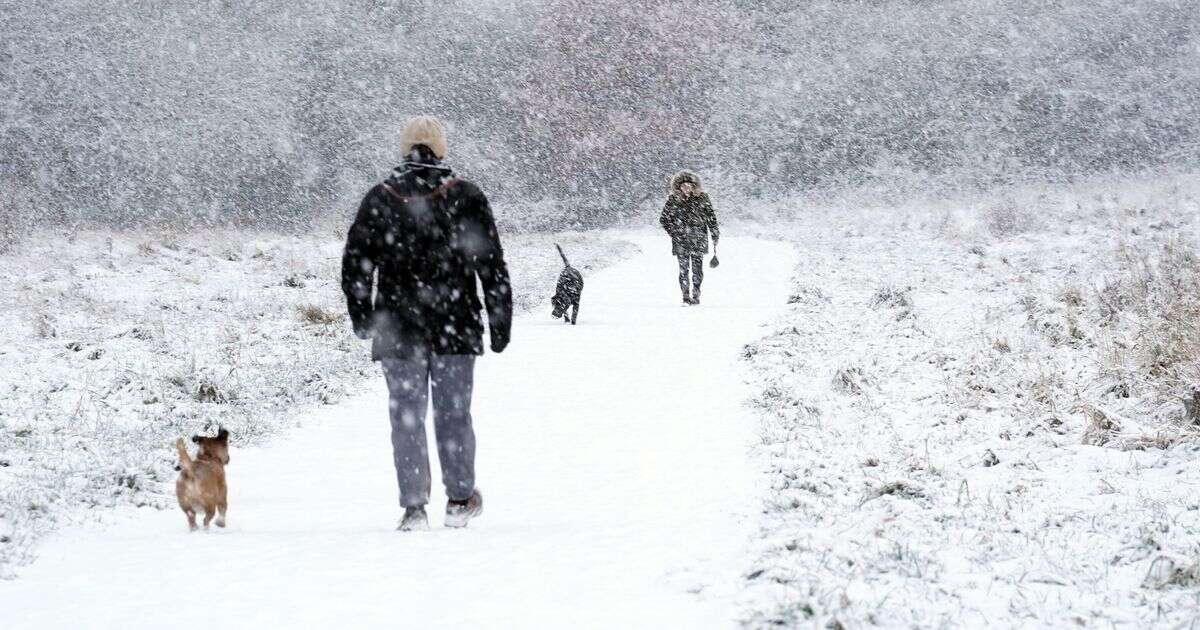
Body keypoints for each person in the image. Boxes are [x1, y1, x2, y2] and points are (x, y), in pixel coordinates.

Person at [341, 116, 512, 531]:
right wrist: (499, 319)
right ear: (442, 149)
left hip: (398, 328)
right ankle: (459, 498)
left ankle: (414, 506)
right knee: (454, 414)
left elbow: (356, 264)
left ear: (404, 150)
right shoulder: (466, 196)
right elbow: (490, 262)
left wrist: (363, 316)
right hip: (454, 324)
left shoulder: (380, 198)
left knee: (406, 417)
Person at [659, 170, 720, 305]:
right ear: (679, 187)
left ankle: (696, 294)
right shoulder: (673, 200)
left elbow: (711, 218)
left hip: (699, 238)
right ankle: (685, 296)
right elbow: (664, 219)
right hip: (681, 240)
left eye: (689, 185)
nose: (686, 188)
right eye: (683, 185)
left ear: (694, 186)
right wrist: (674, 232)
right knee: (683, 269)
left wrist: (715, 234)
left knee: (697, 269)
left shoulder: (703, 198)